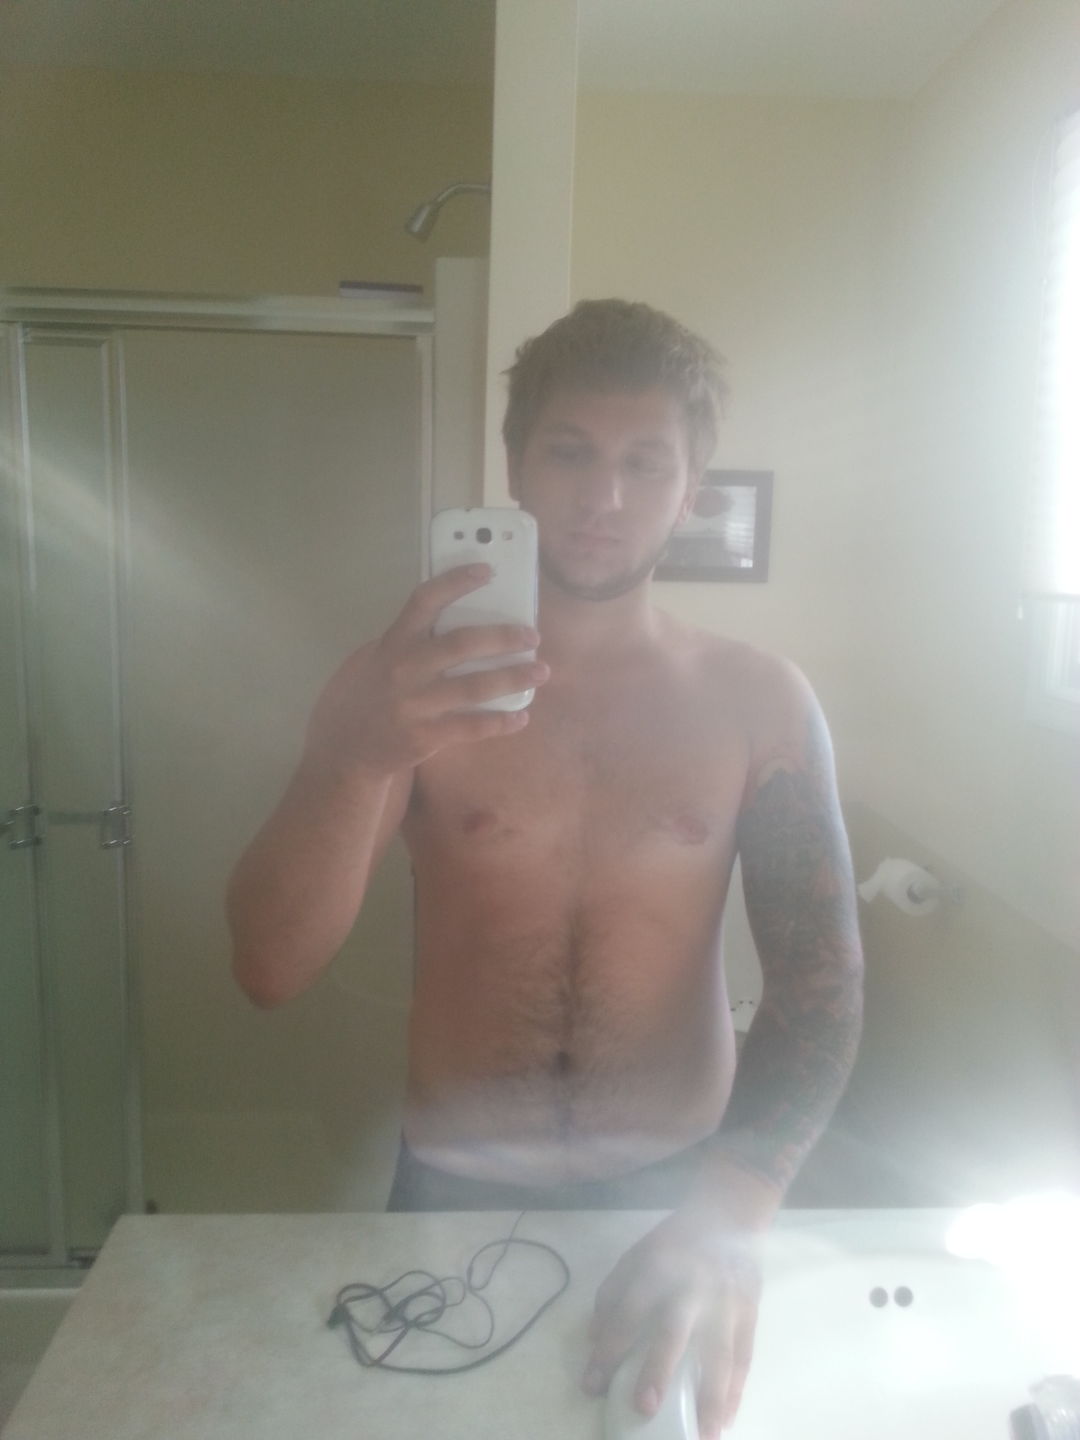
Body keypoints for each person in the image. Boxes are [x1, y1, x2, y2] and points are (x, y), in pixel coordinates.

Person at [226, 299, 864, 1437]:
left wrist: (732, 1210)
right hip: (452, 1183)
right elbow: (269, 967)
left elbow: (820, 986)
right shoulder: (398, 692)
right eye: (570, 452)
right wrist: (355, 753)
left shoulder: (757, 701)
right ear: (516, 466)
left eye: (644, 463)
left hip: (679, 1186)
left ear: (691, 486)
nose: (603, 496)